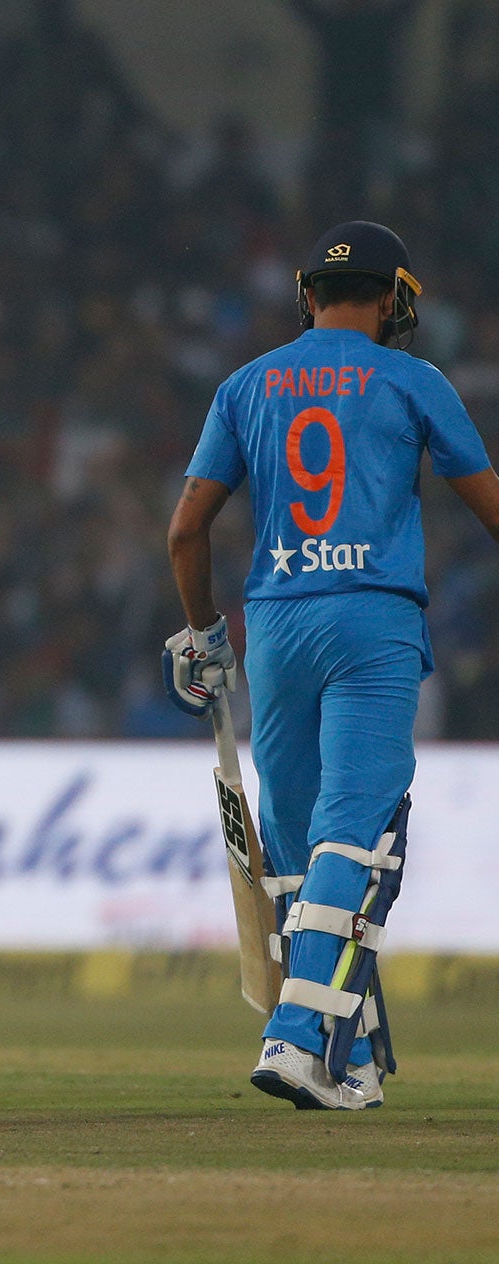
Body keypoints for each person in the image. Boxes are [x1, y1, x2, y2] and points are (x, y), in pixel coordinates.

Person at [166, 220, 499, 1111]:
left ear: (308, 295)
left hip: (274, 626)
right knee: (357, 838)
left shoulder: (245, 386)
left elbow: (186, 531)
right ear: (393, 300)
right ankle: (297, 1040)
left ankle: (347, 1055)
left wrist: (201, 636)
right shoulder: (416, 380)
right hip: (373, 621)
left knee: (298, 852)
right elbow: (490, 507)